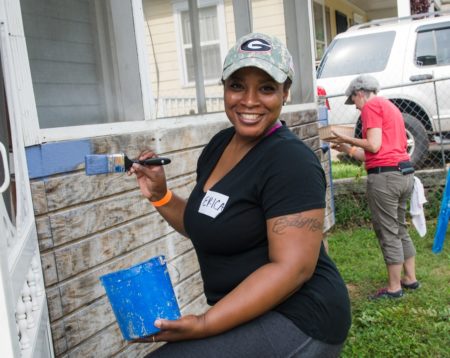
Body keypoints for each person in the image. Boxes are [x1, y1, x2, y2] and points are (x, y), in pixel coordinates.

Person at [129, 32, 351, 357]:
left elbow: (292, 269)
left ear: (285, 92)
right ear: (224, 88)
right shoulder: (219, 146)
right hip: (247, 312)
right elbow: (206, 223)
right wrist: (160, 195)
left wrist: (206, 323)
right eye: (237, 85)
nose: (248, 100)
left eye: (266, 87)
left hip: (301, 317)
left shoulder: (290, 162)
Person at [331, 74, 420, 300]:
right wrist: (347, 149)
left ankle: (393, 289)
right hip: (403, 174)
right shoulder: (390, 107)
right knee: (400, 228)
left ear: (360, 93)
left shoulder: (371, 108)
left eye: (354, 101)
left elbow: (373, 144)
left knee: (388, 231)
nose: (357, 107)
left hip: (385, 179)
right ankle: (410, 279)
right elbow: (373, 152)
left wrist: (346, 138)